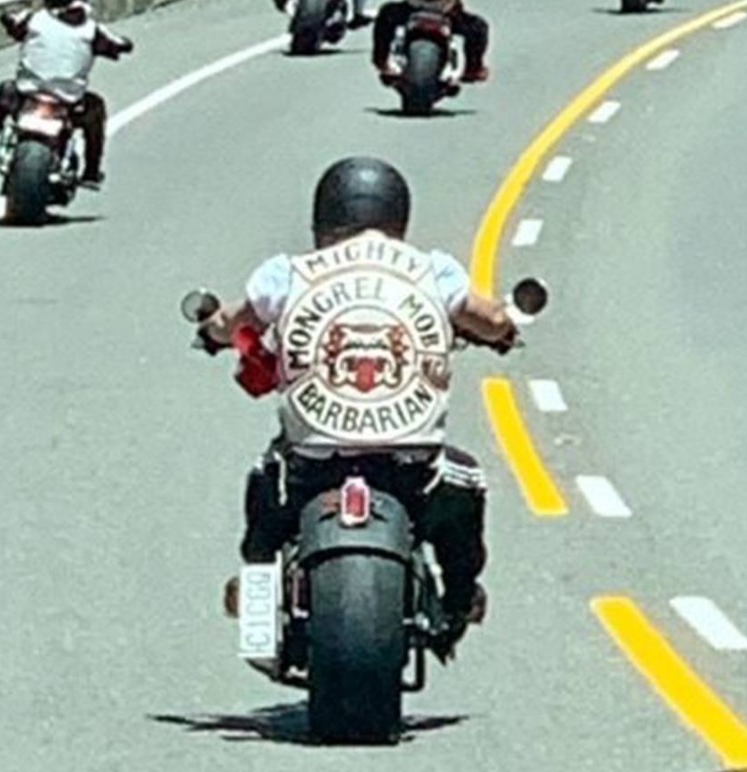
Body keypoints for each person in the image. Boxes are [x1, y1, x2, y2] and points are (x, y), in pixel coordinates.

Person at [199, 157, 518, 653]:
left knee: (266, 488)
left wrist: (212, 332)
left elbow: (229, 322)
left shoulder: (289, 273)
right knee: (465, 486)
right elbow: (491, 319)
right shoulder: (433, 271)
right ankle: (458, 601)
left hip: (312, 464)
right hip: (412, 466)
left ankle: (257, 589)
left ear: (324, 215)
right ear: (398, 217)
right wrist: (503, 330)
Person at [0, 0, 133, 189]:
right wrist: (122, 46)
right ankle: (91, 173)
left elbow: (10, 21)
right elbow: (119, 44)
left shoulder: (34, 19)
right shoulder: (92, 30)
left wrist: (9, 19)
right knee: (95, 108)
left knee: (2, 93)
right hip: (68, 100)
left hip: (27, 92)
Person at [371, 0, 490, 83]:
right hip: (445, 11)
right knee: (478, 28)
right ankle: (473, 68)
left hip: (415, 9)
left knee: (386, 16)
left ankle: (381, 59)